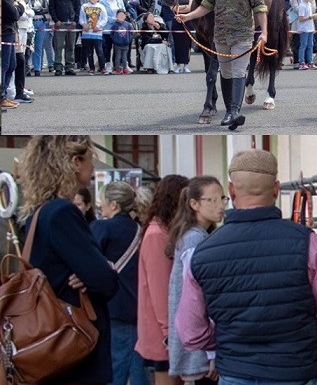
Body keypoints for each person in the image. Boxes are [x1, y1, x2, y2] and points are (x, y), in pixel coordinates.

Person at [176, 150, 317, 385]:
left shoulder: (201, 253)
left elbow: (190, 332)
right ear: (277, 189)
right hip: (299, 372)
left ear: (232, 190)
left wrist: (226, 339)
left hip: (235, 373)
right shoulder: (309, 244)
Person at [17, 135, 119, 384]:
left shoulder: (38, 212)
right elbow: (105, 281)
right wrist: (95, 272)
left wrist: (87, 274)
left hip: (49, 343)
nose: (93, 168)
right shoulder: (63, 212)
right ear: (75, 162)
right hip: (72, 347)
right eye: (90, 160)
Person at [176, 0, 268, 129]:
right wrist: (189, 16)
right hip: (221, 37)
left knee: (238, 71)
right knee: (225, 73)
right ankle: (228, 112)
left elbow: (260, 8)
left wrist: (264, 32)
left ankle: (235, 111)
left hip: (242, 36)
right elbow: (206, 6)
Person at [167, 176, 225, 384]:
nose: (220, 206)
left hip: (196, 344)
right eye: (213, 200)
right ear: (194, 204)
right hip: (200, 349)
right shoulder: (195, 239)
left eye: (223, 199)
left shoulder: (198, 235)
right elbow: (198, 296)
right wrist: (211, 353)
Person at [91, 181, 150, 385]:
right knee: (139, 369)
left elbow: (90, 261)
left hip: (114, 306)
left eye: (103, 202)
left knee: (116, 368)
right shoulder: (140, 229)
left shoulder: (102, 228)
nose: (101, 207)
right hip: (137, 306)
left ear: (114, 204)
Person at [135, 174, 190, 385]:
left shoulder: (162, 230)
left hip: (166, 332)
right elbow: (160, 290)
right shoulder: (157, 234)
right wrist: (169, 334)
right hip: (163, 335)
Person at [2, 0, 24, 109]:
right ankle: (2, 96)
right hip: (4, 32)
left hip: (11, 31)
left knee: (12, 65)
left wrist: (18, 6)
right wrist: (20, 6)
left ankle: (3, 95)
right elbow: (14, 14)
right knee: (4, 66)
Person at [79, 0, 109, 75]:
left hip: (97, 33)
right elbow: (81, 18)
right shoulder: (84, 6)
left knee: (100, 51)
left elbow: (104, 19)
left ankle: (102, 68)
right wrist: (84, 25)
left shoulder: (101, 7)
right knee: (89, 52)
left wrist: (98, 26)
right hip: (87, 33)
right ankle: (91, 68)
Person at [296, 0, 317, 70]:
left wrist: (313, 28)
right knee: (303, 45)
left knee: (310, 45)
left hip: (309, 28)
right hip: (304, 29)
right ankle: (302, 62)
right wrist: (310, 17)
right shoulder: (302, 5)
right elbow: (301, 18)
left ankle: (310, 62)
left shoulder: (309, 4)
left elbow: (310, 18)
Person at [109, 9, 135, 74]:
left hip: (126, 44)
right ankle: (117, 68)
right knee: (117, 57)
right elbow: (111, 33)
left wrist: (129, 40)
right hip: (117, 44)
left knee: (124, 58)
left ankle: (125, 68)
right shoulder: (115, 25)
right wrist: (115, 40)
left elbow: (131, 33)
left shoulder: (128, 24)